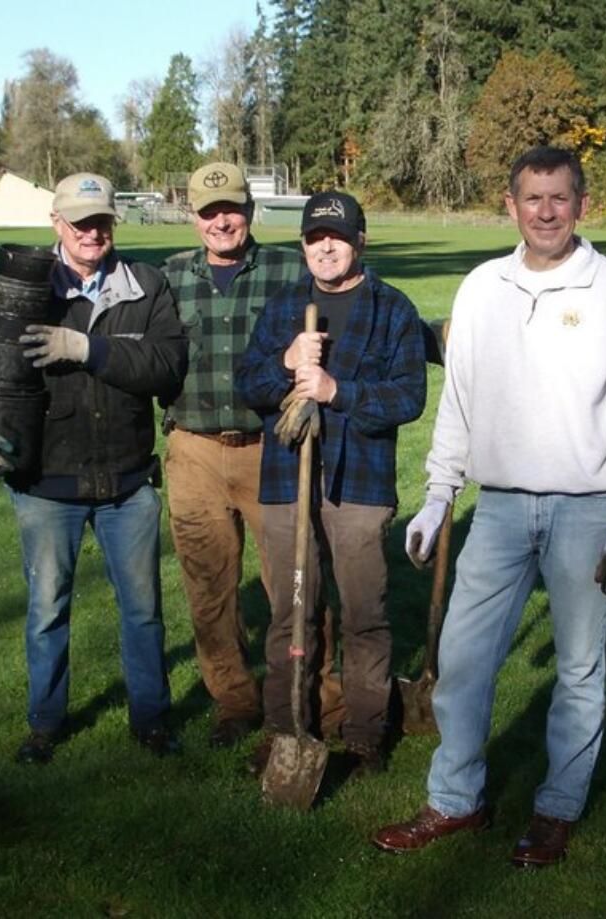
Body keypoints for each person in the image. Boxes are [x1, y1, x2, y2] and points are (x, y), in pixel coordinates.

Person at [372, 146, 606, 867]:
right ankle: (455, 798)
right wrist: (440, 494)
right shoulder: (482, 288)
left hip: (587, 507)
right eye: (531, 199)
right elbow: (462, 401)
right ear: (510, 205)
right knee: (464, 658)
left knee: (578, 668)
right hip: (500, 506)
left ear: (581, 204)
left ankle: (556, 808)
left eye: (559, 198)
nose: (545, 212)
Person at [0, 172, 188, 763]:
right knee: (48, 610)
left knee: (144, 611)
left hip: (128, 484)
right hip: (46, 485)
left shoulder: (144, 286)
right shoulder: (18, 289)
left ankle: (151, 720)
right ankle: (45, 724)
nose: (92, 233)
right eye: (80, 223)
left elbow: (166, 364)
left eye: (101, 221)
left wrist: (89, 349)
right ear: (57, 224)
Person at [235, 191, 426, 775]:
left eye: (337, 237)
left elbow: (408, 397)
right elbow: (250, 385)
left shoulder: (393, 309)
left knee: (363, 613)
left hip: (359, 487)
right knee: (291, 613)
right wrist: (286, 362)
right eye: (315, 237)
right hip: (288, 484)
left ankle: (365, 731)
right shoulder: (284, 307)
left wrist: (336, 393)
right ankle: (286, 726)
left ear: (360, 241)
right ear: (302, 245)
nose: (326, 246)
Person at [161, 161, 330, 749]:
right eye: (209, 212)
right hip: (194, 451)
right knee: (209, 588)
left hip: (272, 448)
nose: (222, 220)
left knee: (296, 580)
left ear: (249, 210)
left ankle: (319, 696)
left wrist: (433, 333)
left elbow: (361, 306)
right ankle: (233, 699)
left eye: (231, 208)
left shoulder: (289, 268)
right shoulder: (170, 278)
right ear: (194, 217)